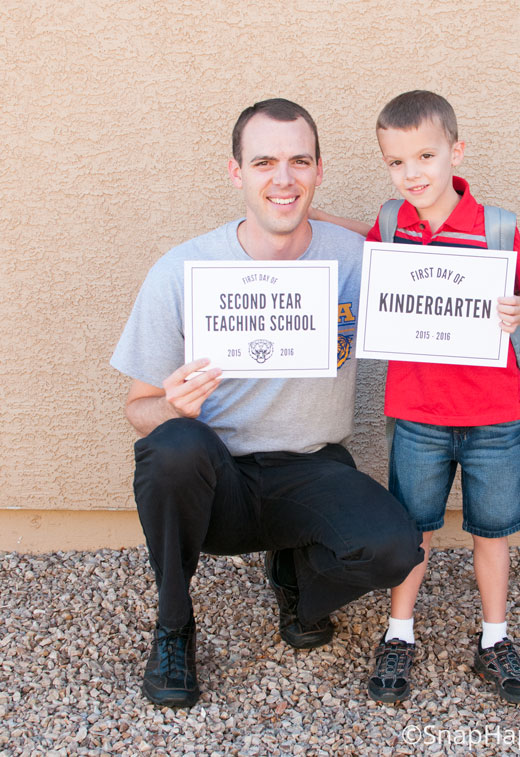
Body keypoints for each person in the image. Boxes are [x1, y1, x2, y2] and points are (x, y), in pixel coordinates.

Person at [110, 98, 423, 709]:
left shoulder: (352, 257)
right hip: (215, 478)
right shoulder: (183, 269)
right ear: (237, 174)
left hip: (311, 466)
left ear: (318, 170)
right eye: (264, 163)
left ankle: (296, 580)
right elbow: (137, 409)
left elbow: (430, 263)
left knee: (394, 548)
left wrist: (511, 302)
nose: (284, 179)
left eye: (298, 162)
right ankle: (174, 626)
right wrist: (174, 406)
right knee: (171, 444)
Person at [312, 90, 520, 705]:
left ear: (454, 152)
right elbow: (363, 241)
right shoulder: (393, 225)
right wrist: (309, 216)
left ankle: (495, 640)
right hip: (417, 415)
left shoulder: (496, 227)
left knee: (491, 533)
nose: (411, 173)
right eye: (395, 162)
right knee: (414, 530)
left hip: (494, 414)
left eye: (424, 156)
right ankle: (399, 633)